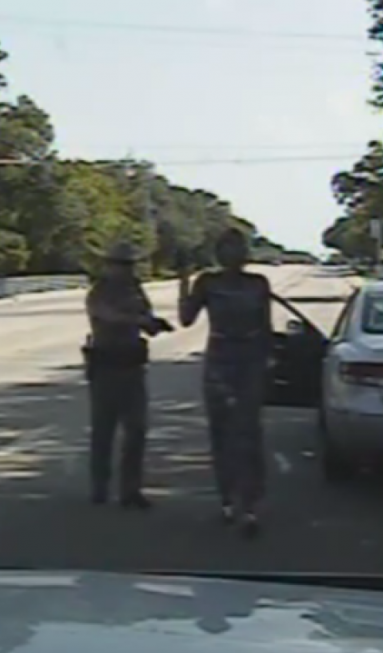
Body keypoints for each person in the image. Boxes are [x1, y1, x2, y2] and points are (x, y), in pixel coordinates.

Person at [178, 229, 272, 538]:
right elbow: (186, 319)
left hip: (249, 359)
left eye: (237, 248)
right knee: (221, 432)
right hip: (220, 358)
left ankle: (250, 503)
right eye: (227, 249)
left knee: (248, 432)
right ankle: (228, 498)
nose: (233, 255)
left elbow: (265, 328)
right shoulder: (208, 282)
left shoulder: (258, 284)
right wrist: (184, 282)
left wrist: (267, 363)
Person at [85, 241, 173, 508]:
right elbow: (107, 315)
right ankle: (100, 487)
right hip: (106, 366)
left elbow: (146, 318)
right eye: (120, 264)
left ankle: (130, 490)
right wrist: (139, 320)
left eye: (129, 265)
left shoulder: (136, 289)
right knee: (104, 430)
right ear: (108, 265)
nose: (125, 270)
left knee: (136, 430)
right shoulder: (99, 292)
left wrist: (153, 323)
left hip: (132, 366)